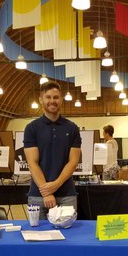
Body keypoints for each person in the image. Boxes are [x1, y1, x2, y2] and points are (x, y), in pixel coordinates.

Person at [23, 81, 81, 219]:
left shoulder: (72, 128)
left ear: (60, 100)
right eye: (48, 97)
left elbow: (73, 162)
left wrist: (56, 184)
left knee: (68, 237)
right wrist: (47, 192)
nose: (52, 101)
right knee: (39, 238)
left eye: (55, 97)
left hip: (67, 195)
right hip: (38, 196)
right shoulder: (31, 128)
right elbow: (32, 163)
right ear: (41, 100)